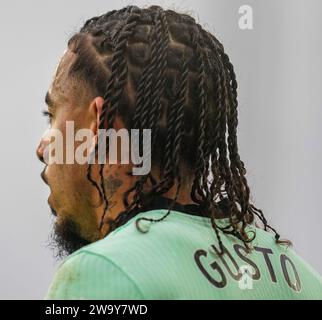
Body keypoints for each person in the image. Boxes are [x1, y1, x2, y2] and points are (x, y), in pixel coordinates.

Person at [36, 5, 322, 299]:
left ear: (100, 123)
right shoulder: (304, 280)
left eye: (52, 114)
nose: (42, 148)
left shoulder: (102, 272)